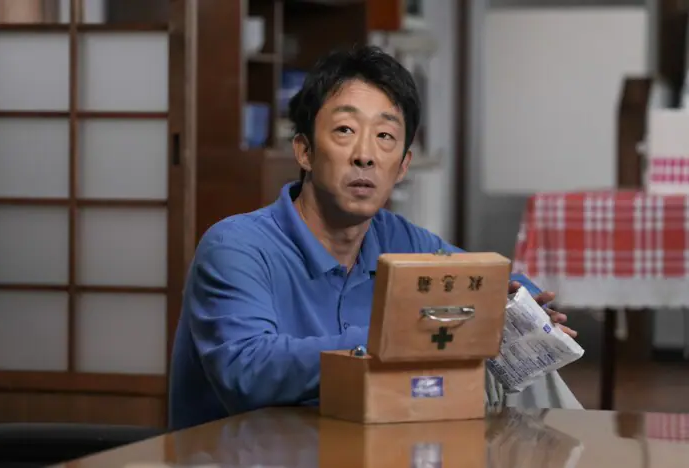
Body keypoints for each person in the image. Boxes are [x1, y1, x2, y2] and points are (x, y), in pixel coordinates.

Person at [168, 45, 581, 431]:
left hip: (366, 443)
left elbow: (489, 280)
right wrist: (396, 336)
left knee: (516, 368)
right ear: (305, 151)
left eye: (384, 136)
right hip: (252, 452)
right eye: (345, 130)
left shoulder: (402, 240)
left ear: (402, 166)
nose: (365, 155)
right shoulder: (236, 246)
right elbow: (246, 372)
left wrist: (524, 308)